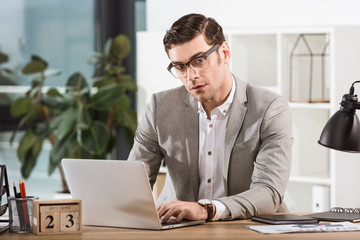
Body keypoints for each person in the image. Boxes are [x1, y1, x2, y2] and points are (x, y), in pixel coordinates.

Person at [127, 13, 292, 223]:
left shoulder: (270, 108)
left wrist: (207, 209)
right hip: (178, 228)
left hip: (248, 226)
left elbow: (269, 192)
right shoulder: (161, 107)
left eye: (199, 60)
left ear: (224, 53)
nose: (191, 75)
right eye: (180, 66)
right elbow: (133, 184)